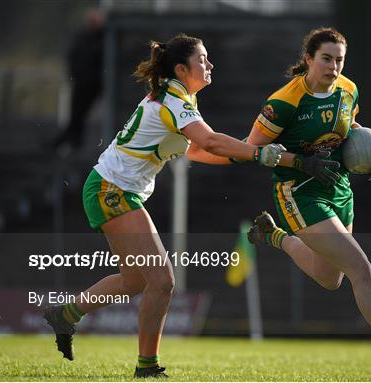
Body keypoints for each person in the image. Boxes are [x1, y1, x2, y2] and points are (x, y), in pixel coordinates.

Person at [43, 33, 286, 378]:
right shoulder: (174, 98)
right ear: (181, 68)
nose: (210, 64)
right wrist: (256, 153)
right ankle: (147, 367)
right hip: (110, 189)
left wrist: (244, 155)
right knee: (162, 281)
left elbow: (199, 150)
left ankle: (64, 315)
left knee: (135, 281)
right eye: (203, 59)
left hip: (112, 188)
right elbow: (210, 142)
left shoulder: (179, 98)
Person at [245, 27, 371, 380]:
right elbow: (253, 150)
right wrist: (301, 162)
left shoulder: (348, 88)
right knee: (362, 269)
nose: (333, 67)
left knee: (331, 279)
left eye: (339, 60)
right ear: (309, 59)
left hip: (338, 187)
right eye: (326, 59)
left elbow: (349, 126)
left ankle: (274, 237)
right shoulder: (284, 102)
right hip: (299, 193)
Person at [52, 8, 105, 153]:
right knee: (76, 113)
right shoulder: (83, 37)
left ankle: (72, 139)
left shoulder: (103, 38)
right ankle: (73, 140)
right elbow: (72, 57)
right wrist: (74, 74)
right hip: (81, 83)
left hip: (94, 84)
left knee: (80, 113)